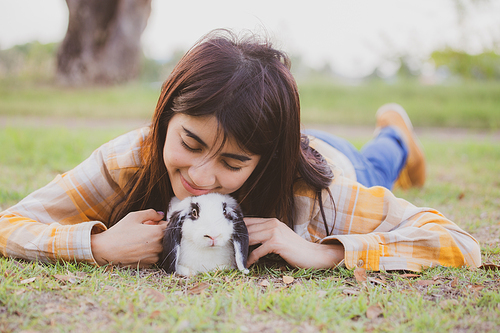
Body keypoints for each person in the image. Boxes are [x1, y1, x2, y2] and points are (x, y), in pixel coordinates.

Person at [0, 30, 480, 272]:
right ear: (166, 115)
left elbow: (460, 243)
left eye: (233, 163)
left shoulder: (315, 194)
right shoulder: (130, 158)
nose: (202, 177)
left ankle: (396, 132)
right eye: (190, 143)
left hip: (325, 158)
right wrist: (100, 246)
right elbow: (9, 225)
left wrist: (322, 253)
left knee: (375, 163)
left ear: (262, 161)